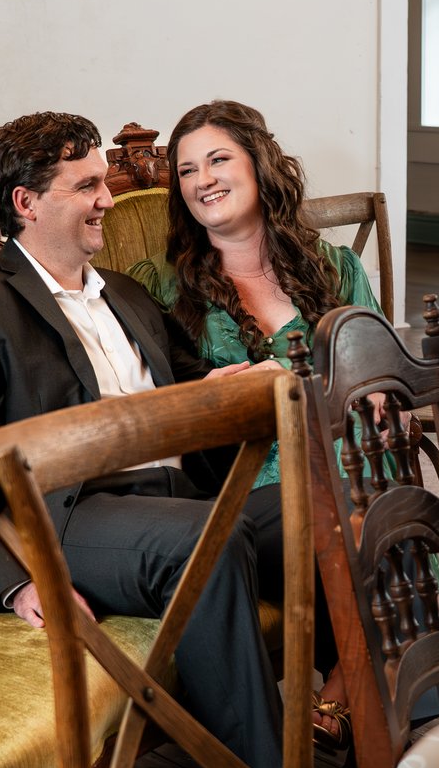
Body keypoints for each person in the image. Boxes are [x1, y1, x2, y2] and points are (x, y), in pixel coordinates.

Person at [0, 109, 286, 768]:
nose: (108, 199)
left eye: (103, 182)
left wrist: (226, 386)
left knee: (314, 505)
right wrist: (16, 581)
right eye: (87, 186)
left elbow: (188, 383)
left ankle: (417, 726)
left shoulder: (130, 295)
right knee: (210, 538)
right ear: (25, 203)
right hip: (71, 514)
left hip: (182, 496)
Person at [133, 99, 379, 489]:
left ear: (258, 163)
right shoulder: (153, 284)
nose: (203, 180)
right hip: (238, 483)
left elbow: (380, 375)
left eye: (218, 160)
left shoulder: (337, 267)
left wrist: (289, 378)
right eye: (187, 170)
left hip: (351, 468)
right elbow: (146, 400)